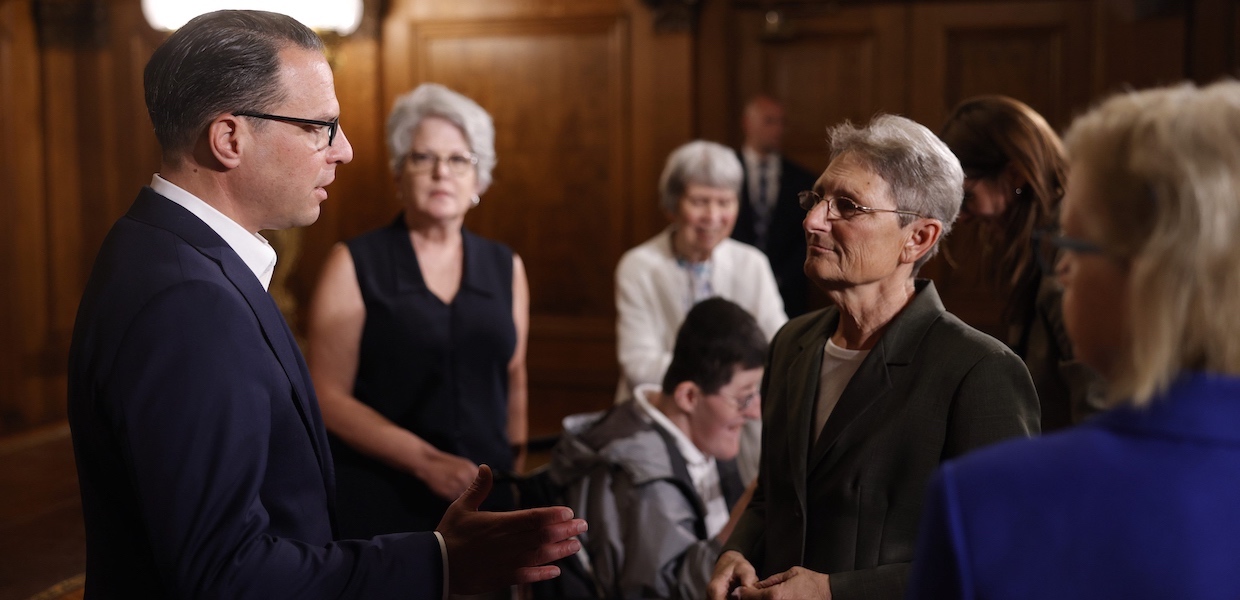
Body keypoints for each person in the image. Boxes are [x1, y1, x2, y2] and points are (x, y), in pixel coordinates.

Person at [66, 10, 582, 598]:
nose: (346, 151)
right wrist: (438, 562)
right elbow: (221, 574)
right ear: (229, 138)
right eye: (321, 127)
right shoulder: (189, 301)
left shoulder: (163, 248)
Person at [907, 81, 1240, 600]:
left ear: (1148, 276)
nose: (1061, 267)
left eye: (1070, 248)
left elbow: (1094, 412)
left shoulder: (983, 502)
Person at [707, 114, 1040, 600]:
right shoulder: (790, 344)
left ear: (919, 238)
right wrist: (736, 552)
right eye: (816, 198)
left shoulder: (979, 371)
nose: (812, 220)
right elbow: (773, 497)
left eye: (847, 206)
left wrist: (835, 592)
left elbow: (1002, 557)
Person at [305, 82, 528, 538]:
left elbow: (515, 373)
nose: (441, 173)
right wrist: (426, 463)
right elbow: (326, 396)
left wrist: (515, 476)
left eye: (458, 160)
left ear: (478, 179)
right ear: (399, 174)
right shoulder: (353, 262)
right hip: (385, 498)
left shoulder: (506, 265)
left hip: (486, 495)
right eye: (423, 158)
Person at [548, 298, 766, 599]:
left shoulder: (701, 431)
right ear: (689, 396)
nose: (755, 412)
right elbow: (667, 593)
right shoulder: (641, 478)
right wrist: (749, 512)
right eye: (743, 398)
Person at [615, 139, 787, 485]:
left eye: (724, 202)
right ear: (672, 205)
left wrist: (716, 391)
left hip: (735, 432)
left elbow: (778, 350)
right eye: (700, 201)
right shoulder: (639, 266)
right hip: (658, 427)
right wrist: (726, 383)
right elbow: (638, 363)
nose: (713, 216)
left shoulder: (751, 264)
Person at [940, 95, 1105, 431]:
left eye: (968, 197)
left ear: (1015, 175)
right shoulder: (1044, 245)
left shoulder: (1069, 257)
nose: (963, 218)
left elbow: (1098, 403)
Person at [731, 95, 820, 317]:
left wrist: (780, 277)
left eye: (782, 122)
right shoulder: (724, 172)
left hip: (788, 293)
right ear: (747, 124)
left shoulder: (803, 180)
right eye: (769, 121)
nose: (778, 129)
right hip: (731, 284)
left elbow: (807, 237)